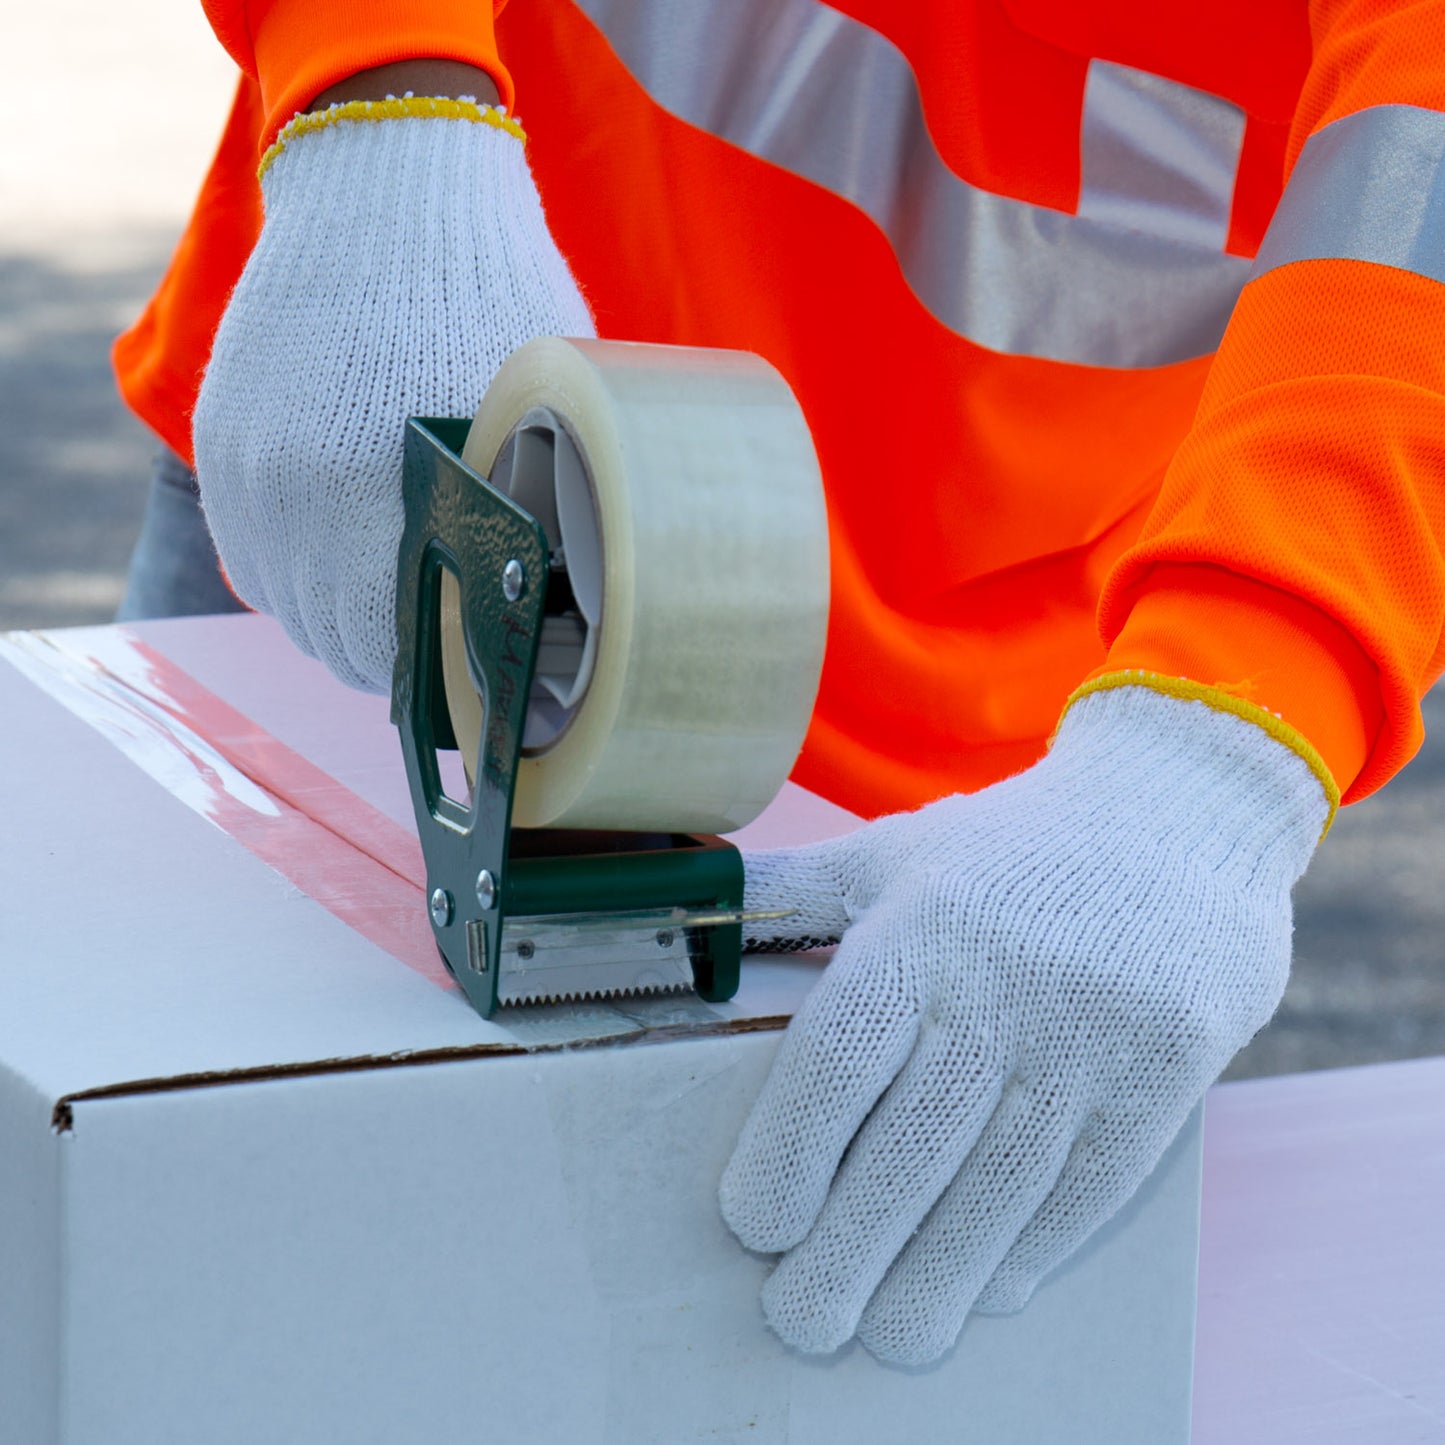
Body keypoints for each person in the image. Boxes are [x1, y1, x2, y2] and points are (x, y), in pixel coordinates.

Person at [114, 1, 1445, 1366]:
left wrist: (1216, 751)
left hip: (995, 754)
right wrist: (370, 86)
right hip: (391, 386)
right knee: (130, 1192)